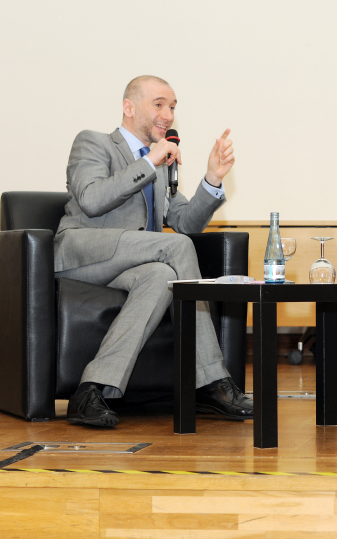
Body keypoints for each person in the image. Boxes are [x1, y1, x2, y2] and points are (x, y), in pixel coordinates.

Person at [55, 75, 253, 427]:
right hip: (82, 252)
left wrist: (212, 179)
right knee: (175, 248)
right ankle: (210, 381)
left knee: (162, 275)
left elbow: (186, 223)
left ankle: (91, 389)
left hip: (133, 261)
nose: (168, 114)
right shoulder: (94, 142)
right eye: (159, 104)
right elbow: (90, 199)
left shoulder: (161, 163)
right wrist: (148, 164)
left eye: (173, 106)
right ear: (129, 108)